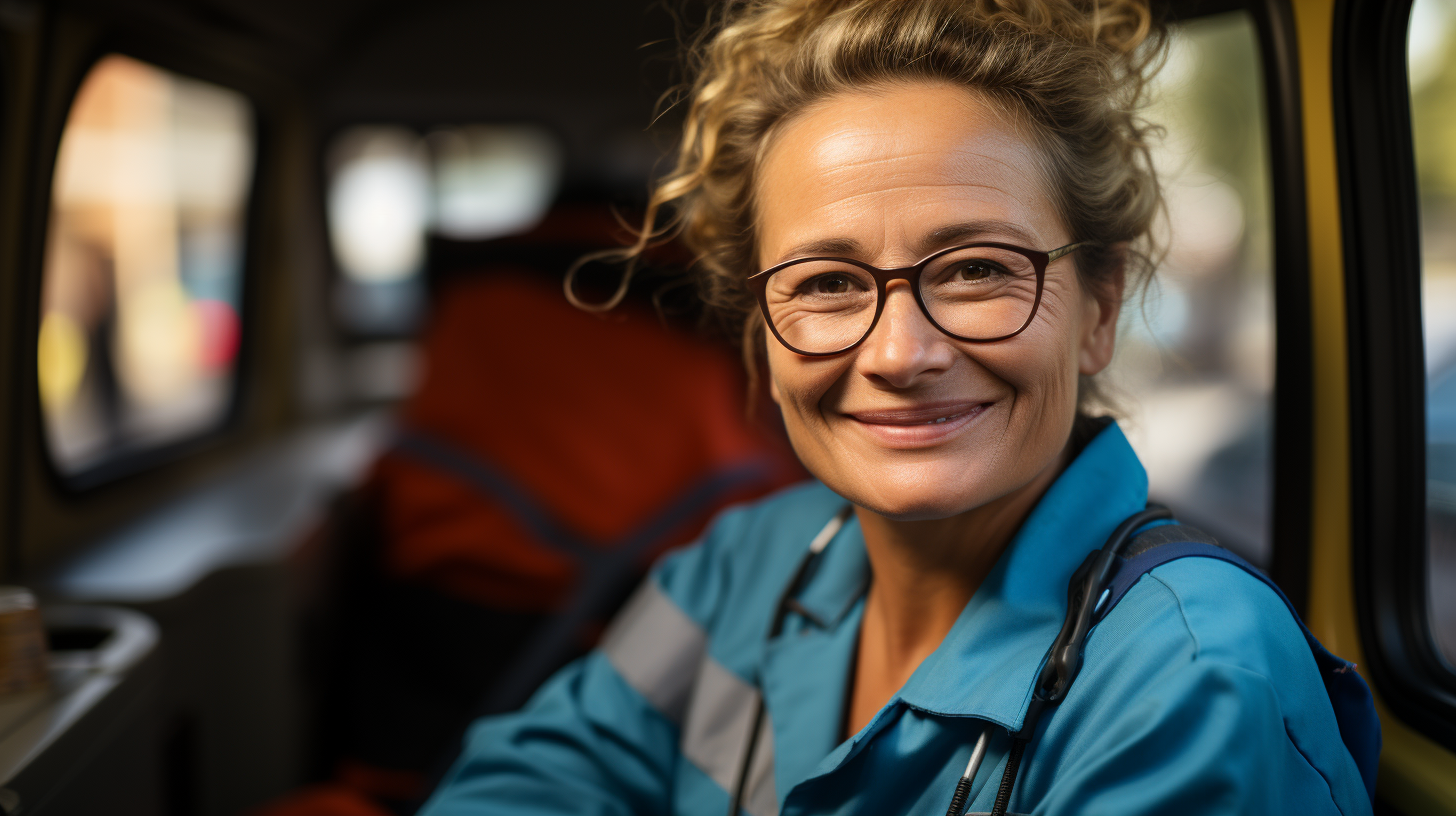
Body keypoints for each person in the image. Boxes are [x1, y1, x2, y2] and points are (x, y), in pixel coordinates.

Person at [418, 1, 1378, 814]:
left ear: (1099, 310)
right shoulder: (741, 564)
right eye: (828, 283)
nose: (899, 354)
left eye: (974, 270)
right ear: (758, 330)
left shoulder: (1194, 676)